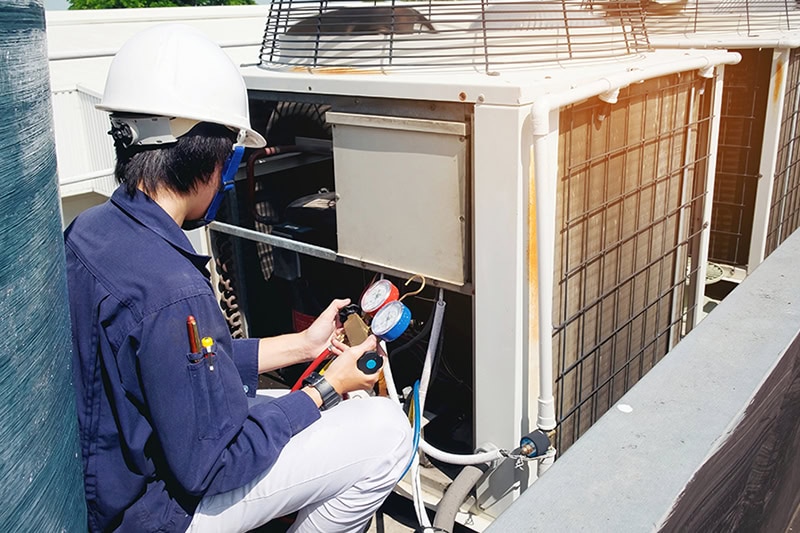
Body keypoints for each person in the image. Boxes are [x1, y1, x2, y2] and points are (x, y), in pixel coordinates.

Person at [65, 24, 412, 533]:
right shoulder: (171, 288)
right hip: (156, 514)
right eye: (233, 156)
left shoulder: (90, 231)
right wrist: (325, 390)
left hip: (113, 484)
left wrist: (305, 344)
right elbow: (217, 461)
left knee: (312, 409)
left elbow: (183, 372)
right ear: (209, 156)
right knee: (385, 431)